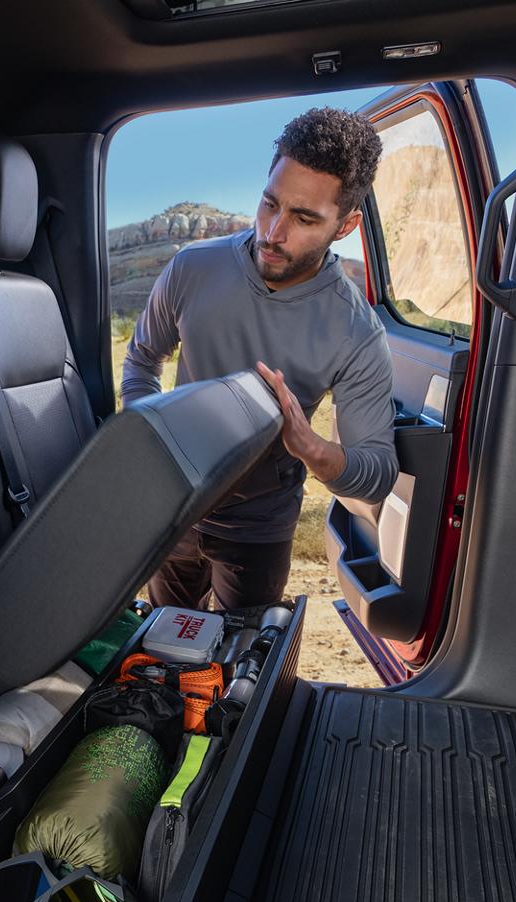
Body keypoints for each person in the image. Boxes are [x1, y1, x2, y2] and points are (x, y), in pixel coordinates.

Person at [123, 107, 398, 611]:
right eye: (269, 204)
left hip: (260, 527)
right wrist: (151, 441)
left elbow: (377, 471)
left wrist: (310, 447)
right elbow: (142, 359)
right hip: (173, 509)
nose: (273, 232)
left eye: (304, 218)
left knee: (238, 669)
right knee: (162, 652)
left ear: (346, 225)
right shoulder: (192, 267)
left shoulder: (356, 330)